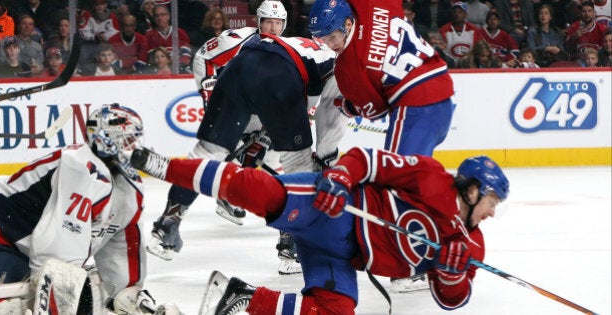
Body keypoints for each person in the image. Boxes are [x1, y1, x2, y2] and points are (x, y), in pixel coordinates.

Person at [130, 145, 510, 314]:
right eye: (492, 203)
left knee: (335, 313)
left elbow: (452, 300)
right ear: (474, 191)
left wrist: (450, 271)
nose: (492, 214)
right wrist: (342, 175)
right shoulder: (430, 177)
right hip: (333, 208)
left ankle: (240, 297)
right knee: (261, 192)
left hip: (341, 255)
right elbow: (367, 159)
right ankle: (162, 165)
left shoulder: (469, 247)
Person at [148, 0, 345, 277]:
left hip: (238, 76)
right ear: (259, 20)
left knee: (207, 153)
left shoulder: (303, 46)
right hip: (277, 82)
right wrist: (325, 160)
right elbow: (325, 122)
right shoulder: (339, 63)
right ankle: (292, 247)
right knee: (298, 166)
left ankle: (166, 226)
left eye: (279, 23)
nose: (273, 27)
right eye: (269, 21)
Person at [308, 0, 456, 292]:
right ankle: (431, 252)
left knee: (395, 187)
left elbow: (375, 110)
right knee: (413, 184)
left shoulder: (349, 69)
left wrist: (346, 105)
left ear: (347, 25)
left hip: (416, 106)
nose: (329, 44)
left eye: (332, 37)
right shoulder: (371, 6)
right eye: (322, 38)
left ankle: (408, 268)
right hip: (442, 92)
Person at [0, 104, 180, 315]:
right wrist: (57, 288)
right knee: (0, 307)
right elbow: (59, 247)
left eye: (134, 139)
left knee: (82, 288)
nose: (134, 147)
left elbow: (123, 245)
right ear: (104, 138)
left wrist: (127, 291)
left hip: (21, 243)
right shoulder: (78, 165)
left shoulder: (130, 188)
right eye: (127, 140)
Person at [145, 4, 193, 71]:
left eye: (162, 15)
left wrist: (180, 65)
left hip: (179, 69)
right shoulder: (149, 35)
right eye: (156, 16)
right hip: (159, 71)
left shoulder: (180, 32)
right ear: (153, 18)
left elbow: (186, 54)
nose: (159, 18)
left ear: (168, 16)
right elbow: (151, 58)